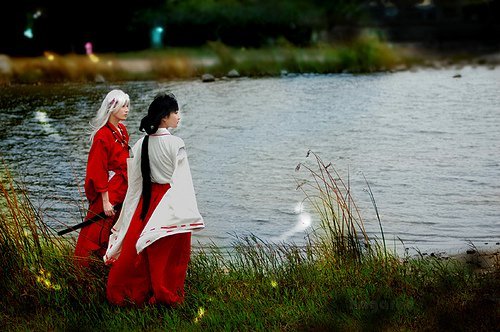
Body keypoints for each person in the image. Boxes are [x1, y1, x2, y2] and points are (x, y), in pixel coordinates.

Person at [104, 91, 204, 307]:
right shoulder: (176, 143)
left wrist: (128, 215)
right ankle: (166, 296)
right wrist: (189, 214)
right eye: (175, 112)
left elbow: (136, 183)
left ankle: (133, 293)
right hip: (170, 201)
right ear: (164, 117)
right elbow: (183, 183)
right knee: (171, 255)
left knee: (141, 250)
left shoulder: (141, 143)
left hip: (147, 203)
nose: (178, 116)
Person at [74, 89, 131, 267]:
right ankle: (83, 268)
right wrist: (105, 201)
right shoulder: (102, 136)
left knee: (116, 227)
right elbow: (97, 170)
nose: (127, 109)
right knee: (96, 230)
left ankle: (107, 264)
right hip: (109, 190)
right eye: (123, 106)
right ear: (112, 108)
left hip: (123, 186)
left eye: (128, 105)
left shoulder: (122, 130)